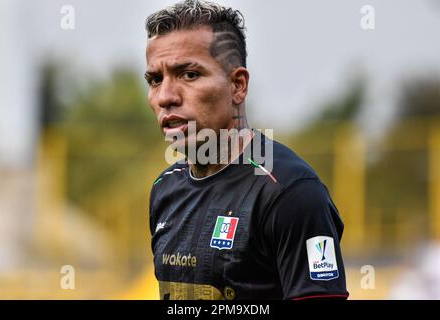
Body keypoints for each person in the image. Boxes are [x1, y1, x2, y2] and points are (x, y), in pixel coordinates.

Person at [146, 0, 348, 300]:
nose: (165, 97)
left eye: (189, 74)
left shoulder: (291, 192)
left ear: (237, 85)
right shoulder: (164, 188)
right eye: (155, 79)